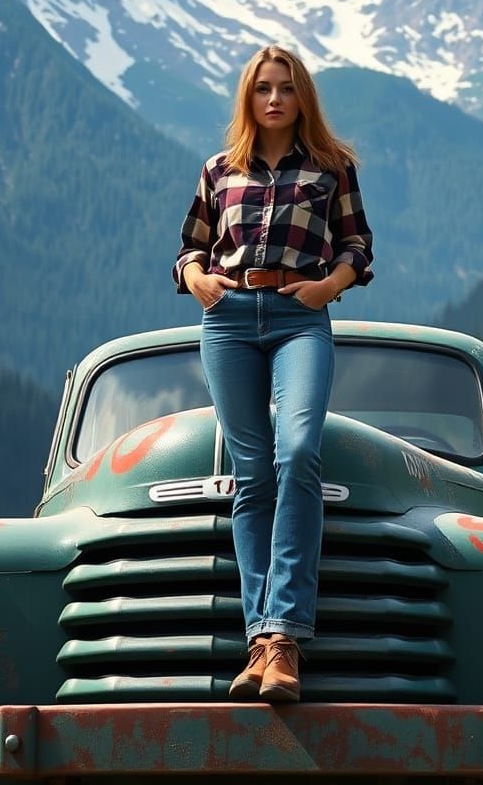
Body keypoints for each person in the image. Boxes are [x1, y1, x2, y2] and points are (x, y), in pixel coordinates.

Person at [173, 44, 373, 702]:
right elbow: (189, 249)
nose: (274, 100)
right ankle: (261, 642)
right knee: (251, 475)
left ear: (301, 97)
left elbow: (357, 246)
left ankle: (285, 632)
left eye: (285, 89)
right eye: (263, 89)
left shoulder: (331, 169)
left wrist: (329, 287)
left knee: (299, 453)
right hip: (227, 321)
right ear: (248, 97)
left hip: (299, 318)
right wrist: (198, 279)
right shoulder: (217, 171)